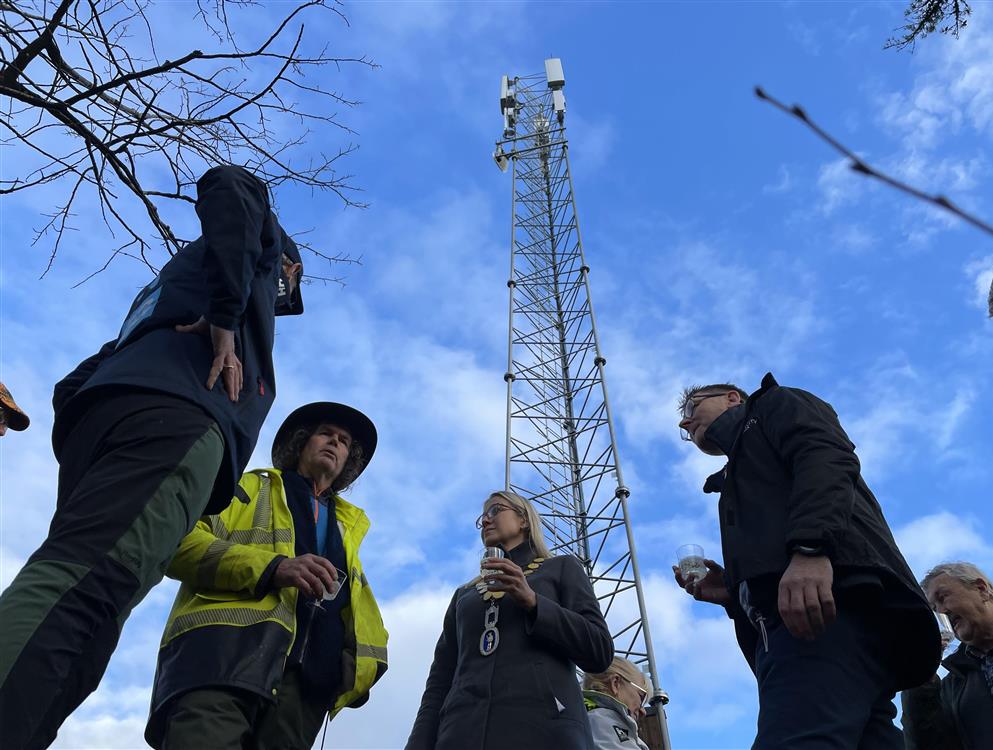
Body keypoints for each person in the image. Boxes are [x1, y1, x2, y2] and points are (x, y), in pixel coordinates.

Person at [0, 165, 304, 750]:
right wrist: (223, 320)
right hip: (177, 422)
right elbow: (232, 186)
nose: (285, 296)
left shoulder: (158, 305)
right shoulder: (250, 267)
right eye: (290, 287)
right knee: (86, 582)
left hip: (115, 424)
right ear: (287, 266)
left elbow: (72, 387)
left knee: (92, 608)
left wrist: (90, 431)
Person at [674, 373, 940, 750]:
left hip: (819, 618)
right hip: (804, 630)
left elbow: (826, 457)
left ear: (733, 397)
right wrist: (736, 594)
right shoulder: (739, 470)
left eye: (692, 407)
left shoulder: (774, 405)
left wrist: (811, 551)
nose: (685, 423)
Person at [145, 402, 388, 749]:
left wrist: (356, 671)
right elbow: (175, 544)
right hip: (219, 662)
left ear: (349, 461)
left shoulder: (347, 532)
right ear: (301, 442)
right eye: (325, 433)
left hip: (303, 694)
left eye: (344, 441)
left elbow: (368, 623)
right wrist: (274, 567)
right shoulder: (245, 488)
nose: (335, 442)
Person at [405, 490, 614, 750]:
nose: (486, 521)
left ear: (524, 520)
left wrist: (534, 603)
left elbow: (599, 651)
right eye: (482, 517)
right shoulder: (464, 595)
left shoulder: (561, 569)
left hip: (543, 731)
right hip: (460, 733)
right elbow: (439, 681)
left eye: (495, 511)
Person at [902, 562, 993, 750]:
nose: (940, 612)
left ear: (981, 589)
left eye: (943, 597)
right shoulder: (953, 687)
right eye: (933, 608)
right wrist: (922, 674)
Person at [583, 657, 651, 750]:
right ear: (615, 683)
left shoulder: (591, 719)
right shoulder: (601, 721)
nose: (643, 711)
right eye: (642, 697)